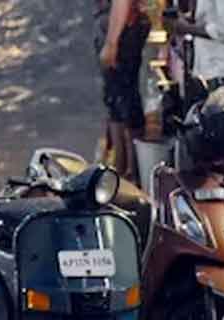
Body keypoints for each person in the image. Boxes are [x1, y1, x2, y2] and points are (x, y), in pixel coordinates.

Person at [96, 0, 150, 183]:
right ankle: (122, 167)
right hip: (120, 28)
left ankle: (132, 171)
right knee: (116, 100)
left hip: (122, 31)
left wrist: (111, 43)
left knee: (124, 100)